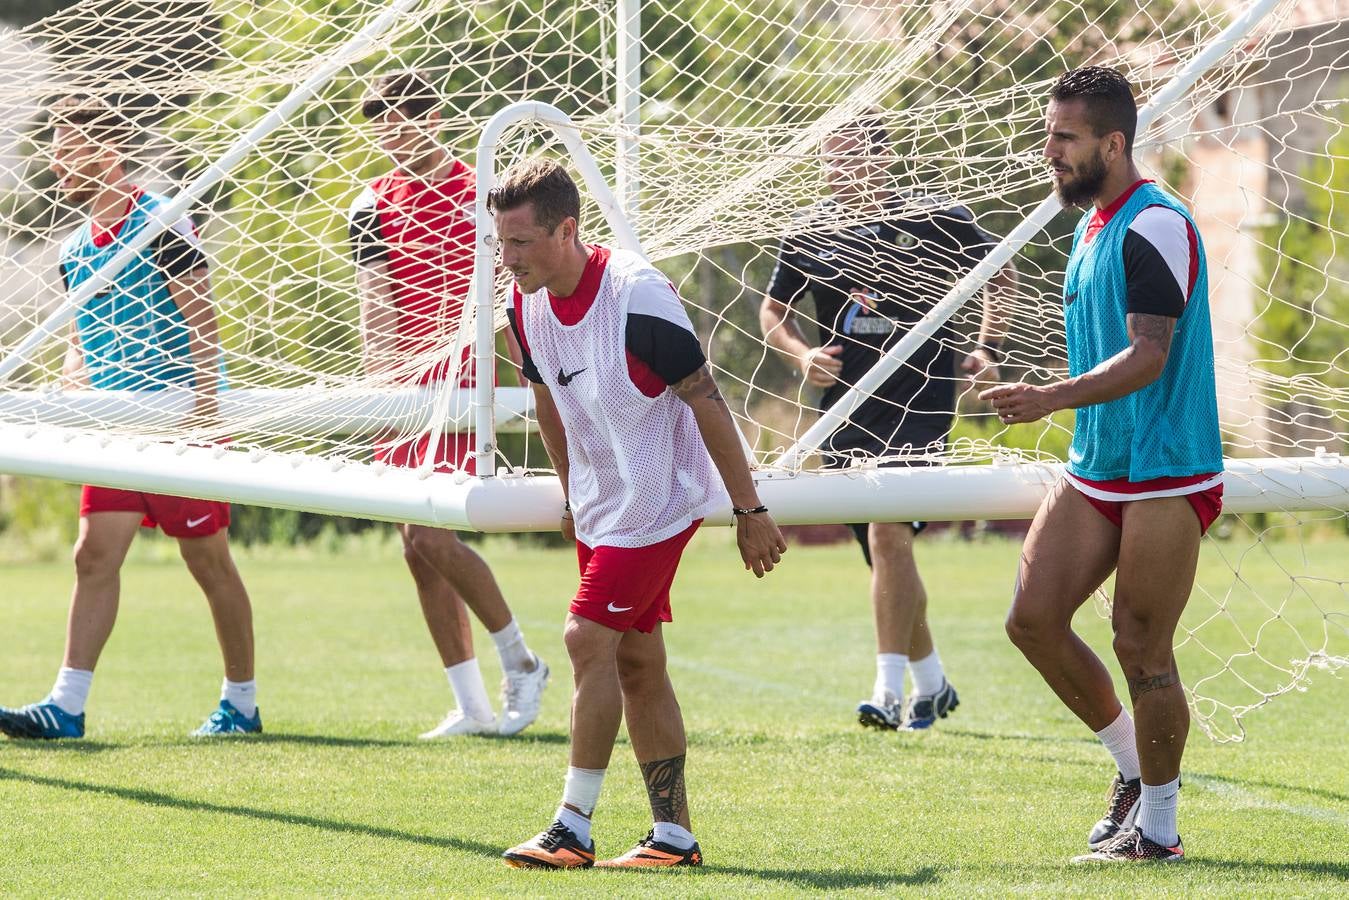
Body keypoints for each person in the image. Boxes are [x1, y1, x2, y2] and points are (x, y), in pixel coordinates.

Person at [491, 157, 787, 869]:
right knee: (635, 661)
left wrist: (749, 509)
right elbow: (548, 404)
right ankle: (674, 838)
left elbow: (705, 398)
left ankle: (572, 828)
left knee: (583, 638)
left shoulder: (637, 297)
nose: (508, 259)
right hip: (602, 503)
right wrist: (571, 495)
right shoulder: (522, 305)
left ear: (567, 230)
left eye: (521, 243)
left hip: (658, 498)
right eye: (501, 243)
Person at [982, 66, 1224, 863]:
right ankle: (1128, 768)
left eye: (1063, 138)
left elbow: (1149, 356)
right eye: (1047, 134)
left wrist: (1048, 396)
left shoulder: (1154, 223)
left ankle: (1157, 831)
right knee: (1030, 620)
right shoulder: (1090, 225)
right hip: (1098, 466)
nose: (1045, 151)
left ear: (1112, 143)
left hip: (1165, 467)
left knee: (1140, 648)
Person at [0, 94, 261, 739]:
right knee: (93, 556)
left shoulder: (160, 222)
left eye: (70, 144)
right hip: (116, 435)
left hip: (179, 427)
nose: (59, 159)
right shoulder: (73, 248)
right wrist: (69, 395)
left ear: (109, 150)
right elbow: (77, 339)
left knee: (208, 562)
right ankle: (66, 706)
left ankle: (243, 703)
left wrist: (204, 413)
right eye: (56, 145)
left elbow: (202, 315)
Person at [760, 116, 1016, 731]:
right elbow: (772, 309)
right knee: (886, 556)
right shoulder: (811, 232)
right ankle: (933, 684)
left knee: (886, 534)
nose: (834, 170)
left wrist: (987, 349)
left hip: (922, 404)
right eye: (828, 158)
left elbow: (1002, 272)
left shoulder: (936, 218)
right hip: (843, 414)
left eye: (847, 157)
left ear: (882, 157)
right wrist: (803, 355)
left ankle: (888, 689)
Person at [349, 70, 547, 738]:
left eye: (402, 118)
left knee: (430, 531)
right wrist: (381, 380)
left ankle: (520, 659)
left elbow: (513, 291)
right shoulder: (370, 202)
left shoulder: (480, 194)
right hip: (403, 393)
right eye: (379, 122)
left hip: (464, 389)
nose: (391, 132)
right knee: (414, 547)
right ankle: (470, 706)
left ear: (431, 117)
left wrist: (532, 378)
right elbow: (374, 302)